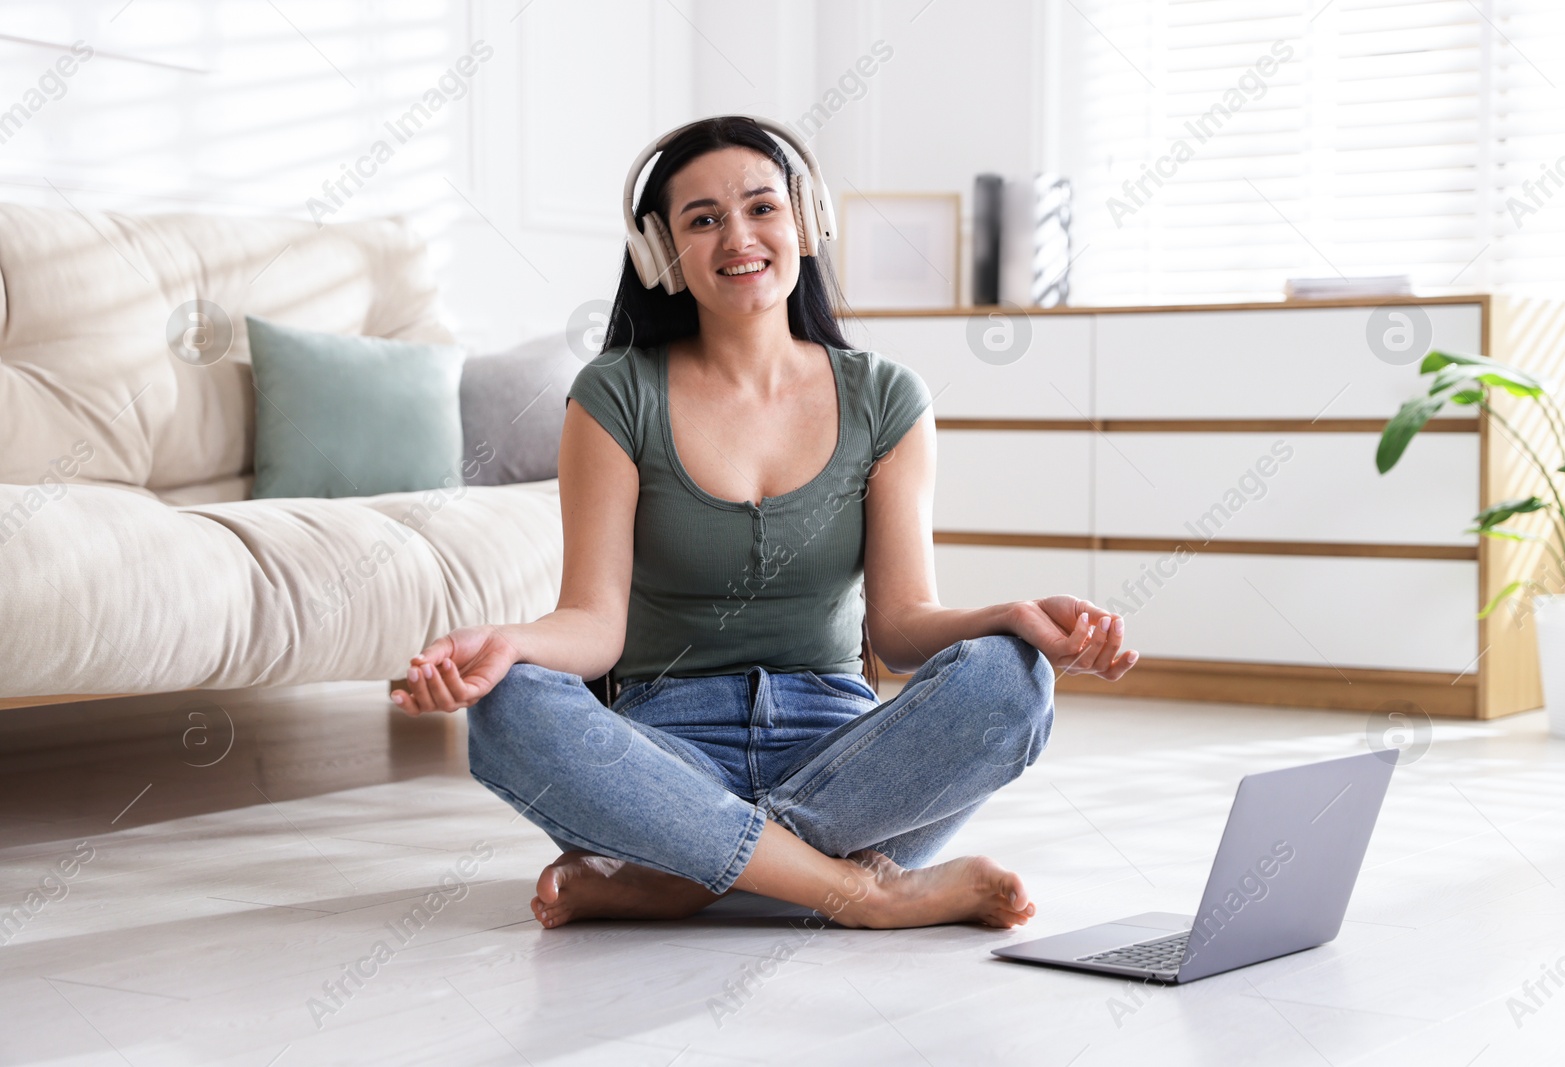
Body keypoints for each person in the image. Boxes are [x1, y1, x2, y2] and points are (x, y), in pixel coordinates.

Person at [391, 115, 1138, 931]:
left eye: (760, 208)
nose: (736, 236)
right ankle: (853, 888)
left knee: (1012, 676)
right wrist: (504, 645)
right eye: (702, 219)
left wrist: (1012, 617)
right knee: (508, 705)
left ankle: (686, 873)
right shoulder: (614, 395)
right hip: (664, 752)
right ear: (659, 253)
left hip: (845, 755)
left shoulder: (886, 397)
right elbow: (593, 626)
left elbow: (899, 626)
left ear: (807, 221)